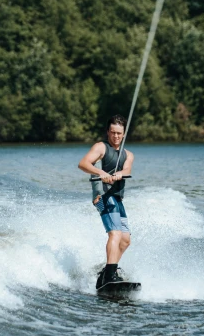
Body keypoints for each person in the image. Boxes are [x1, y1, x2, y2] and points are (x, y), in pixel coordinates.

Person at [77, 114, 135, 288]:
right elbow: (83, 163)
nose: (116, 136)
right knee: (115, 234)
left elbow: (127, 170)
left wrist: (119, 175)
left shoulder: (128, 154)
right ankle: (110, 274)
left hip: (117, 199)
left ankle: (107, 271)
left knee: (125, 240)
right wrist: (102, 173)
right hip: (102, 197)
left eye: (119, 133)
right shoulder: (101, 147)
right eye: (113, 132)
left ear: (124, 134)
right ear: (108, 132)